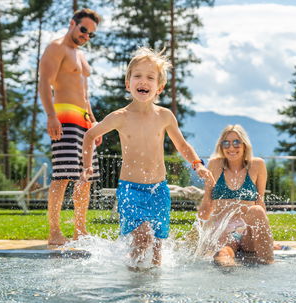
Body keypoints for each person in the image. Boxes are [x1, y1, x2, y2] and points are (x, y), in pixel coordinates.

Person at [80, 47, 215, 267]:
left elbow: (181, 144)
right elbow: (89, 135)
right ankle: (134, 285)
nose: (144, 81)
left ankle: (152, 292)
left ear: (159, 87)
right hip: (130, 190)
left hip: (159, 190)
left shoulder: (164, 116)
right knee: (142, 237)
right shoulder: (120, 117)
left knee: (157, 248)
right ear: (128, 83)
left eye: (150, 77)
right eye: (138, 76)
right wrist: (87, 166)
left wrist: (197, 164)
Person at [39, 8, 103, 245]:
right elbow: (44, 83)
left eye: (91, 34)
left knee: (84, 179)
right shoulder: (57, 48)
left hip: (84, 122)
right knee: (62, 177)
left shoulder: (80, 56)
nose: (86, 35)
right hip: (64, 118)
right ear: (72, 23)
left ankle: (80, 230)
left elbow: (84, 94)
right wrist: (50, 115)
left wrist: (94, 122)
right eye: (83, 29)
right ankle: (54, 231)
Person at [197, 124, 274, 266]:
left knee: (257, 211)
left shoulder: (257, 165)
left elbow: (260, 202)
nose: (231, 147)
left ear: (245, 145)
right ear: (221, 146)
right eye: (226, 143)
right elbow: (207, 200)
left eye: (236, 142)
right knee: (222, 256)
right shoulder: (215, 164)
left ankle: (269, 266)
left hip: (247, 231)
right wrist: (201, 237)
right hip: (224, 230)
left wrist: (265, 236)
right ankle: (232, 279)